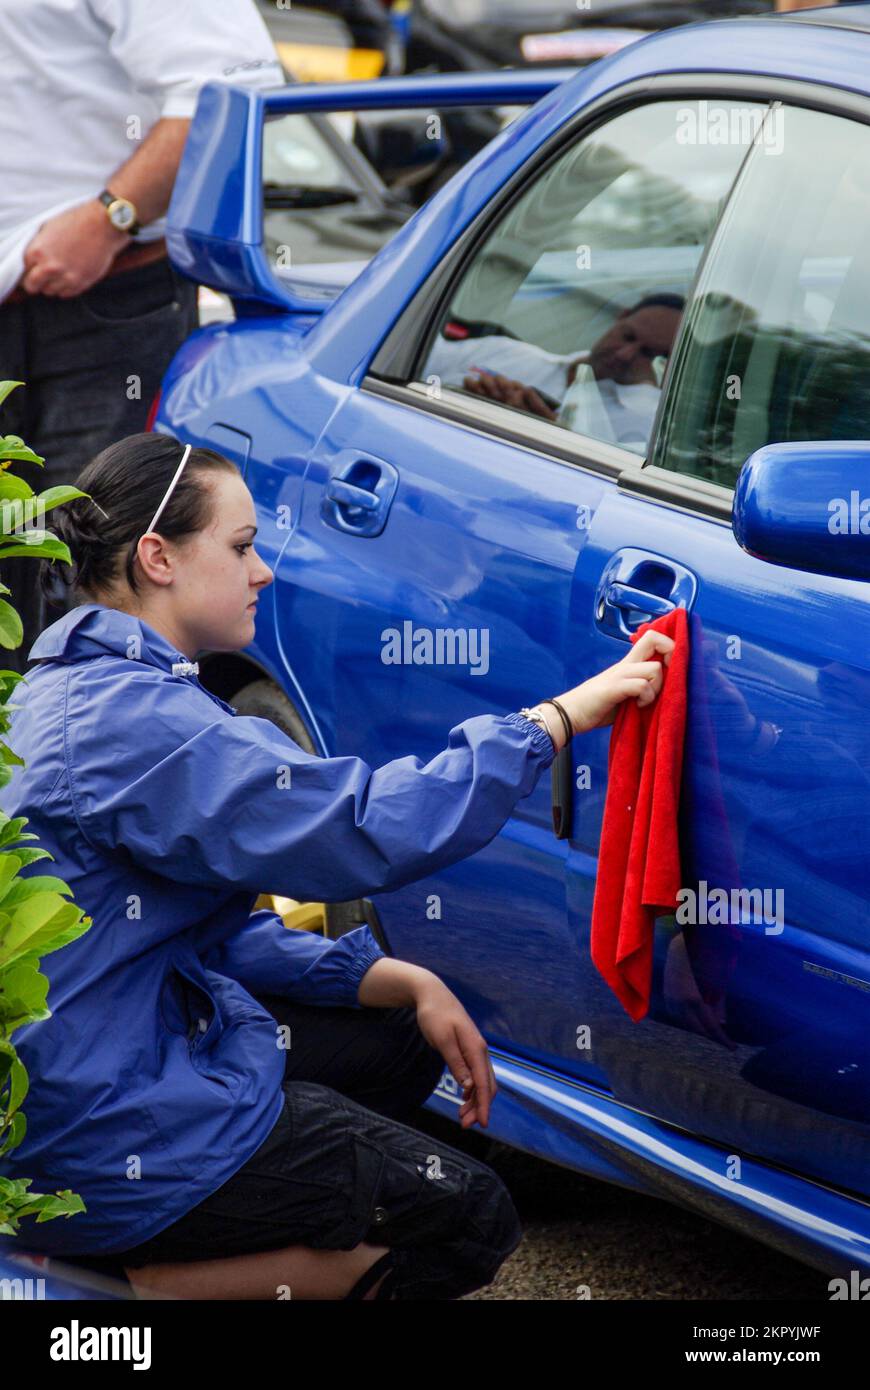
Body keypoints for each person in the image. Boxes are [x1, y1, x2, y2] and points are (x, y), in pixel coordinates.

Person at [1, 433, 674, 1300]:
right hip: (101, 1127)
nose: (264, 572)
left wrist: (394, 976)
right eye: (242, 548)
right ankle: (128, 1292)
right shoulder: (134, 723)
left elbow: (187, 934)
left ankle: (180, 1251)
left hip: (74, 1083)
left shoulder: (68, 684)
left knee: (393, 1033)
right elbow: (360, 828)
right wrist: (557, 719)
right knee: (472, 1219)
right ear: (157, 558)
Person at [0, 0, 284, 675]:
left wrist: (110, 217)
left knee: (85, 586)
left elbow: (232, 83)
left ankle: (73, 776)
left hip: (91, 308)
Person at [426, 293, 685, 452]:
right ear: (620, 317)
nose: (624, 355)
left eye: (649, 354)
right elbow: (411, 363)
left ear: (670, 364)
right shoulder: (504, 352)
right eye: (627, 337)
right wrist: (465, 395)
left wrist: (543, 433)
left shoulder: (650, 429)